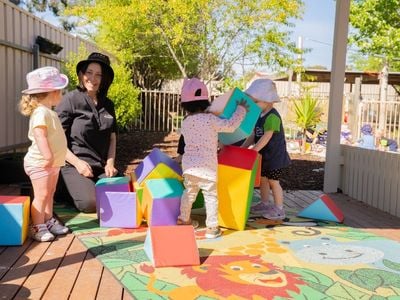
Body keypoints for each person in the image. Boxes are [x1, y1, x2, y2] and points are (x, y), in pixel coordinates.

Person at [177, 78, 247, 239]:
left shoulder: (186, 122)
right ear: (206, 101)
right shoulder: (210, 120)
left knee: (189, 194)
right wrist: (241, 110)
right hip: (207, 167)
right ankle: (212, 228)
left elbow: (197, 134)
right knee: (210, 196)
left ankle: (183, 219)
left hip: (189, 167)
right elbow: (230, 125)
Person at [55, 52, 118, 213]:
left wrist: (110, 163)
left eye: (98, 75)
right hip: (73, 165)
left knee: (122, 193)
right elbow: (56, 140)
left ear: (104, 79)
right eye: (89, 73)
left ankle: (88, 187)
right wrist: (77, 163)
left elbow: (112, 138)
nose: (93, 78)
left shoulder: (108, 104)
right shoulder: (70, 100)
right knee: (91, 203)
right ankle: (62, 190)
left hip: (101, 167)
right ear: (81, 74)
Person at [19, 66, 70, 242]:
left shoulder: (49, 112)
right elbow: (40, 135)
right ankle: (37, 226)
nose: (62, 95)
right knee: (41, 195)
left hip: (52, 163)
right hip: (41, 162)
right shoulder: (41, 112)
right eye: (61, 91)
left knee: (50, 192)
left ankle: (47, 221)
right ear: (53, 92)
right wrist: (48, 156)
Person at [242, 78, 291, 220]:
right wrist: (244, 147)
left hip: (275, 156)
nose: (254, 105)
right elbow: (253, 134)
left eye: (256, 102)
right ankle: (264, 203)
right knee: (263, 179)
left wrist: (254, 150)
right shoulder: (259, 115)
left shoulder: (273, 117)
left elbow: (267, 136)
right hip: (264, 156)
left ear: (268, 100)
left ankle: (279, 209)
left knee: (273, 182)